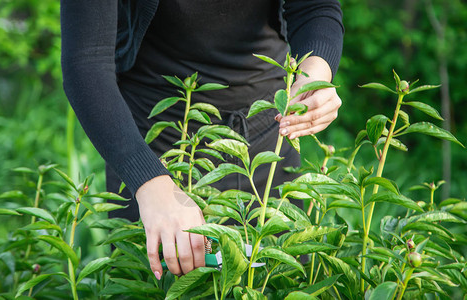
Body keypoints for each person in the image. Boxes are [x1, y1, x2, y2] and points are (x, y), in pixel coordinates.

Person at [60, 0, 344, 281]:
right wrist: (149, 182)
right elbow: (87, 62)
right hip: (157, 146)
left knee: (278, 282)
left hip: (268, 133)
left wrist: (314, 76)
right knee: (167, 284)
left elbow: (314, 7)